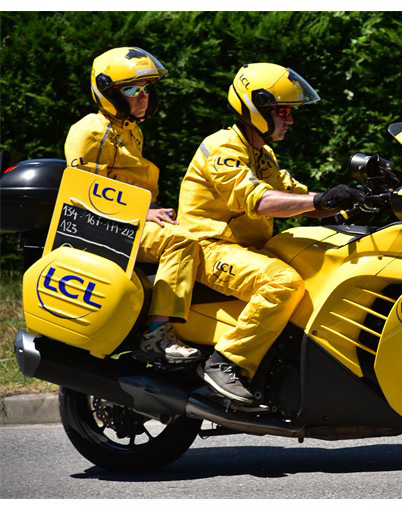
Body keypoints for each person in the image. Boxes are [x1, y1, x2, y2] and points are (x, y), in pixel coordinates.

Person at [178, 63, 363, 403]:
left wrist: (351, 202)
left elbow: (292, 194)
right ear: (256, 108)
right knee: (283, 283)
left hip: (244, 250)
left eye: (291, 112)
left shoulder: (262, 154)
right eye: (283, 111)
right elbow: (260, 201)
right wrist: (319, 200)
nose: (290, 119)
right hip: (207, 248)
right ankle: (226, 363)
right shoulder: (222, 147)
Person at [64, 47, 203, 365]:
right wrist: (144, 212)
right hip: (105, 226)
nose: (142, 97)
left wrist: (152, 210)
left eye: (145, 90)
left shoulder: (129, 130)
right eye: (131, 90)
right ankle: (157, 334)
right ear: (107, 92)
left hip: (132, 219)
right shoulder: (92, 133)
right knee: (181, 240)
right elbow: (85, 195)